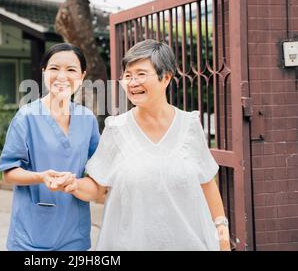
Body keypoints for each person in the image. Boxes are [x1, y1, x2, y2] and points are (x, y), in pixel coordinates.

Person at [62, 39, 231, 251]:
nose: (132, 83)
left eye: (141, 74)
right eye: (128, 75)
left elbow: (208, 184)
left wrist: (223, 238)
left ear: (166, 77)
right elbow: (97, 186)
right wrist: (74, 185)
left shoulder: (189, 126)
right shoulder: (116, 129)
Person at [0, 43, 100, 251]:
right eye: (54, 68)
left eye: (71, 69)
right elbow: (8, 173)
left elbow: (97, 173)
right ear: (44, 72)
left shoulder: (87, 119)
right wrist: (41, 177)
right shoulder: (26, 117)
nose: (62, 76)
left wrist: (76, 183)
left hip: (75, 234)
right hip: (31, 236)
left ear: (82, 75)